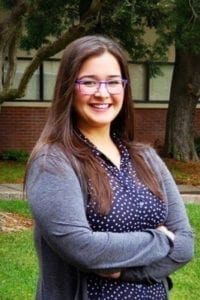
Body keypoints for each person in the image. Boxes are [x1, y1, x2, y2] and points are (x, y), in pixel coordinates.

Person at [25, 35, 194, 300]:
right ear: (69, 87)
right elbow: (83, 249)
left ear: (124, 88)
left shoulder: (146, 158)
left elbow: (185, 245)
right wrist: (162, 239)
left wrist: (127, 273)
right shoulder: (53, 162)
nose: (102, 93)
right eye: (89, 82)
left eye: (113, 82)